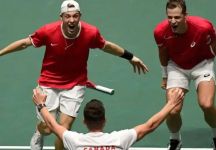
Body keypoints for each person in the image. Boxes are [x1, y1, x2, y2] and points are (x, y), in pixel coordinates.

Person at [0, 1, 149, 150]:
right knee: (47, 128)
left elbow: (107, 46)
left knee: (63, 130)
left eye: (75, 16)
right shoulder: (48, 31)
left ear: (80, 16)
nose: (71, 20)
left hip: (75, 84)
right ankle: (39, 132)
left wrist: (130, 57)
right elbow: (24, 44)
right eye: (67, 16)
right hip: (48, 82)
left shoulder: (91, 32)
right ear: (61, 17)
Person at [32, 88, 183, 150]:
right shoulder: (119, 139)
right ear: (104, 120)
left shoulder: (74, 141)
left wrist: (41, 104)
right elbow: (150, 125)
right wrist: (171, 104)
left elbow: (52, 124)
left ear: (84, 122)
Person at [153, 0, 216, 149]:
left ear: (186, 15)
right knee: (172, 109)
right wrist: (165, 76)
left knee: (206, 104)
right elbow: (163, 53)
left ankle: (215, 135)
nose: (173, 21)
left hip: (202, 65)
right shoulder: (160, 31)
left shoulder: (203, 27)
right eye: (170, 17)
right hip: (176, 67)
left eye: (177, 17)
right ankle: (175, 140)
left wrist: (212, 55)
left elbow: (214, 42)